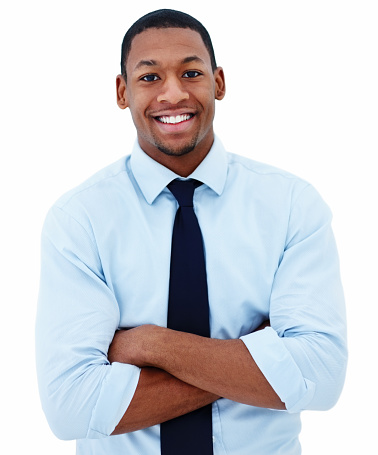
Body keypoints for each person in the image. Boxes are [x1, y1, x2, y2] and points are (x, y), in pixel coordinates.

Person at [35, 9, 348, 455]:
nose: (173, 93)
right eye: (149, 78)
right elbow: (71, 408)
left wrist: (149, 344)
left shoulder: (291, 205)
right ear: (122, 92)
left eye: (191, 72)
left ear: (219, 83)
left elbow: (322, 376)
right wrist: (257, 357)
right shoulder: (80, 219)